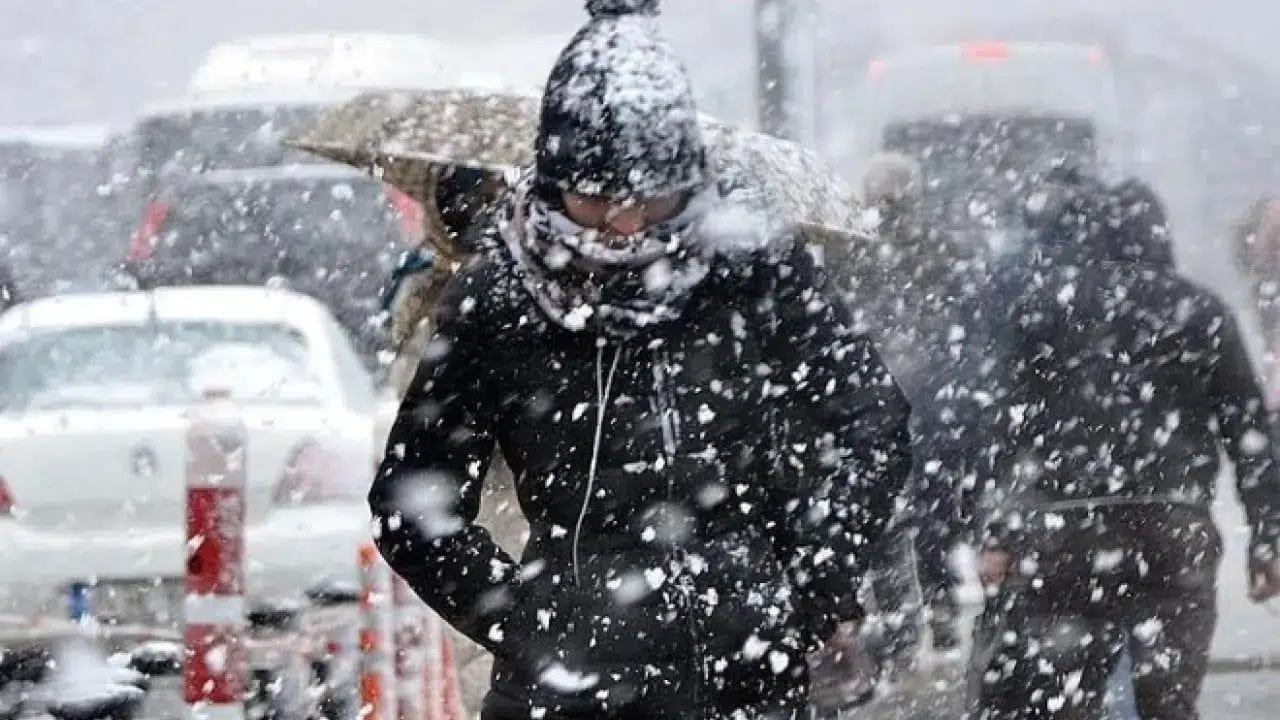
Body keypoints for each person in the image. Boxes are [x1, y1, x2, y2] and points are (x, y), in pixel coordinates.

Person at [368, 1, 915, 717]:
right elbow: (412, 503)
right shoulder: (499, 297)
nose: (624, 224)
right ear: (554, 175)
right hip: (566, 692)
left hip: (745, 677)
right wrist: (526, 622)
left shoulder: (752, 267)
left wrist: (809, 585)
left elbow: (871, 421)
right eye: (595, 198)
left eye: (649, 198)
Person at [964, 176, 1280, 720]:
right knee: (1167, 698)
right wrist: (1267, 538)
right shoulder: (1197, 310)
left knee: (1063, 694)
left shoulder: (1043, 309)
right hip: (1171, 523)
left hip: (1061, 528)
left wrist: (994, 532)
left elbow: (1000, 424)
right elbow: (1249, 430)